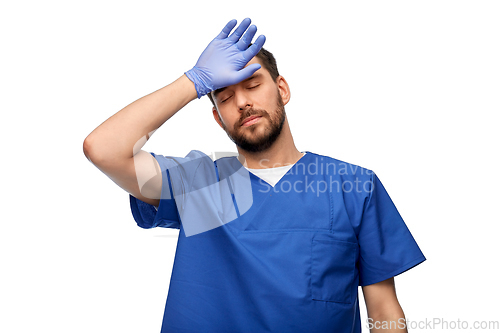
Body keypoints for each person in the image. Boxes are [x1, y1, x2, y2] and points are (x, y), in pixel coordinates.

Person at [83, 18, 426, 333]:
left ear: (282, 90)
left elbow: (383, 309)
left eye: (253, 85)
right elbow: (103, 148)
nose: (243, 103)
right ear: (218, 119)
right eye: (226, 97)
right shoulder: (197, 184)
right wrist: (195, 81)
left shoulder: (353, 186)